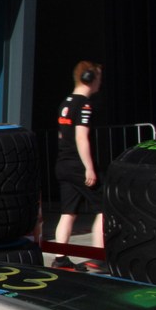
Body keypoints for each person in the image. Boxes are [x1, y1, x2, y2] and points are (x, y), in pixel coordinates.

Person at [52, 61, 104, 271]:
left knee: (68, 212)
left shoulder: (65, 103)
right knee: (104, 208)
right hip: (77, 165)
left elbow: (61, 135)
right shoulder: (84, 105)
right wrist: (89, 168)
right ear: (89, 78)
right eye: (98, 76)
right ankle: (97, 256)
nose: (100, 81)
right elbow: (81, 138)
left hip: (63, 164)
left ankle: (60, 259)